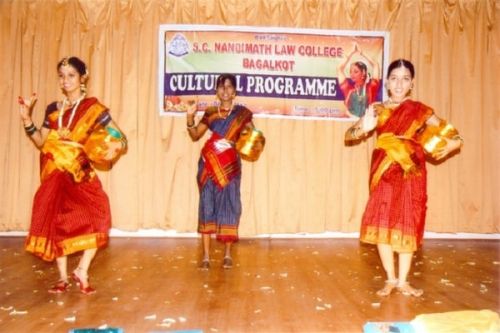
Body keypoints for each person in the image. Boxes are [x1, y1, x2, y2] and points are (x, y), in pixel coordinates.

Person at [345, 59, 463, 297]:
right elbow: (349, 135)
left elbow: (452, 133)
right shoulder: (377, 109)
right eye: (395, 78)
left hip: (411, 171)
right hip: (384, 172)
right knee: (382, 220)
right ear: (387, 82)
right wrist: (364, 128)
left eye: (405, 79)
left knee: (407, 220)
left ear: (412, 84)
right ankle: (390, 278)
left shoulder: (421, 111)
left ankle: (403, 280)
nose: (399, 84)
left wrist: (453, 144)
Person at [18, 56, 127, 294]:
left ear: (82, 77)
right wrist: (27, 118)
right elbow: (41, 141)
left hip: (81, 171)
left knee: (100, 214)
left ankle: (82, 270)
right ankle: (62, 277)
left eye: (71, 75)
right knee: (59, 220)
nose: (65, 81)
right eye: (61, 76)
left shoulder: (94, 109)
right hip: (55, 170)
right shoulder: (53, 110)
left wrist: (103, 145)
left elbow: (118, 135)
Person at [186, 74, 255, 270]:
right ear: (216, 91)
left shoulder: (243, 114)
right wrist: (190, 116)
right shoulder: (210, 113)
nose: (225, 90)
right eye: (221, 87)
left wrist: (234, 142)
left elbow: (252, 139)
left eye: (229, 87)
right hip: (208, 165)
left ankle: (227, 254)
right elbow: (195, 135)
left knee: (229, 207)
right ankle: (206, 256)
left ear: (235, 92)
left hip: (230, 167)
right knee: (206, 205)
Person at [337, 43, 381, 118]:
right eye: (350, 72)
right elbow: (339, 68)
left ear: (363, 72)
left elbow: (376, 65)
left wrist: (362, 53)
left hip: (367, 126)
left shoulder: (371, 87)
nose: (352, 74)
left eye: (355, 72)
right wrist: (351, 52)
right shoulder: (349, 89)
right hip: (349, 125)